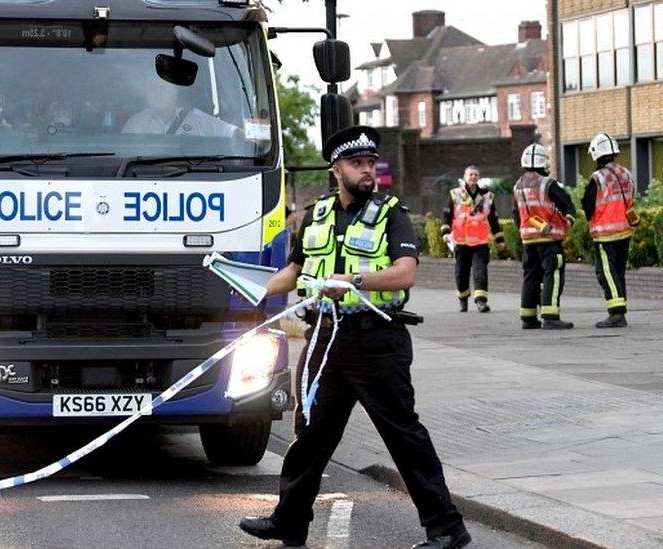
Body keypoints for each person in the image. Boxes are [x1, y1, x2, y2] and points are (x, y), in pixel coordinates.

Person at [239, 126, 470, 549]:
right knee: (311, 433)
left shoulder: (391, 213)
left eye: (371, 163)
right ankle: (290, 520)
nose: (368, 171)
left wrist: (355, 280)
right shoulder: (317, 214)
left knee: (402, 434)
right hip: (327, 339)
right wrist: (258, 288)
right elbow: (297, 269)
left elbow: (406, 272)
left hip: (377, 341)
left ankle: (446, 527)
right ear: (336, 169)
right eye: (357, 164)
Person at [512, 144, 577, 330]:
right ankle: (550, 316)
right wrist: (569, 221)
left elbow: (516, 214)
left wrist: (524, 230)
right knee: (552, 274)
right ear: (544, 162)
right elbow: (566, 203)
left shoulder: (518, 185)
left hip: (528, 240)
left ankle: (528, 317)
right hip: (549, 239)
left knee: (530, 276)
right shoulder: (547, 183)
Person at [582, 133, 636, 328]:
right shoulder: (626, 173)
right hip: (625, 231)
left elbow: (588, 205)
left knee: (605, 272)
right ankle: (620, 309)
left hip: (605, 234)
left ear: (597, 154)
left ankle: (616, 314)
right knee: (618, 272)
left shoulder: (597, 177)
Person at [441, 165, 506, 312]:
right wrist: (445, 232)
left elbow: (493, 219)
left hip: (480, 241)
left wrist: (499, 240)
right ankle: (463, 299)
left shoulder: (487, 196)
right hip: (461, 241)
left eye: (476, 175)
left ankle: (481, 301)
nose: (473, 177)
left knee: (480, 271)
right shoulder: (455, 194)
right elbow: (446, 215)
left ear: (479, 177)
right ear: (464, 177)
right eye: (470, 174)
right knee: (461, 273)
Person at [121, 77, 243, 138]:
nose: (157, 93)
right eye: (152, 88)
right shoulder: (135, 123)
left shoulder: (196, 119)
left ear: (175, 94)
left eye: (163, 88)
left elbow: (232, 132)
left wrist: (259, 137)